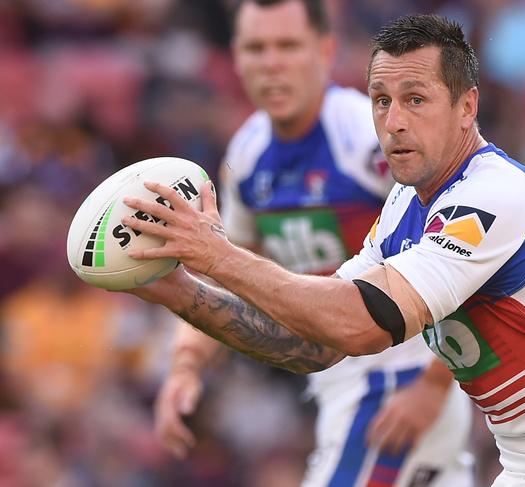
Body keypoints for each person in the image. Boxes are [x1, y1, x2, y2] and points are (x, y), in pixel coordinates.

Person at [119, 13, 525, 487]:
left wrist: (216, 257)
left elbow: (361, 325)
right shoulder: (403, 203)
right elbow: (319, 344)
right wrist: (183, 292)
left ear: (467, 107)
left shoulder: (493, 194)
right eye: (382, 100)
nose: (393, 121)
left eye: (415, 99)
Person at [153, 2, 474, 486]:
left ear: (325, 50)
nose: (272, 63)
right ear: (236, 58)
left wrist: (435, 383)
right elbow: (229, 269)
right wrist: (185, 365)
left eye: (288, 46)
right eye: (257, 49)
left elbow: (468, 243)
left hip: (398, 373)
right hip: (333, 375)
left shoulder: (366, 135)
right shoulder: (248, 154)